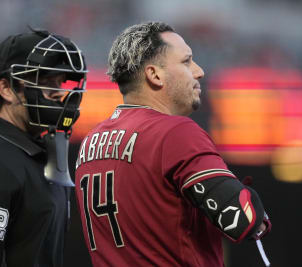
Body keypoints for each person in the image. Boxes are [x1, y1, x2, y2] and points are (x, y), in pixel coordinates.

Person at [74, 21, 271, 267]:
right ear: (155, 75)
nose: (199, 71)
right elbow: (243, 219)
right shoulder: (176, 132)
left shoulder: (91, 141)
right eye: (186, 62)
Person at [0, 28, 87, 267]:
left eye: (61, 82)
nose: (60, 92)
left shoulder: (35, 149)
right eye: (46, 81)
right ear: (6, 89)